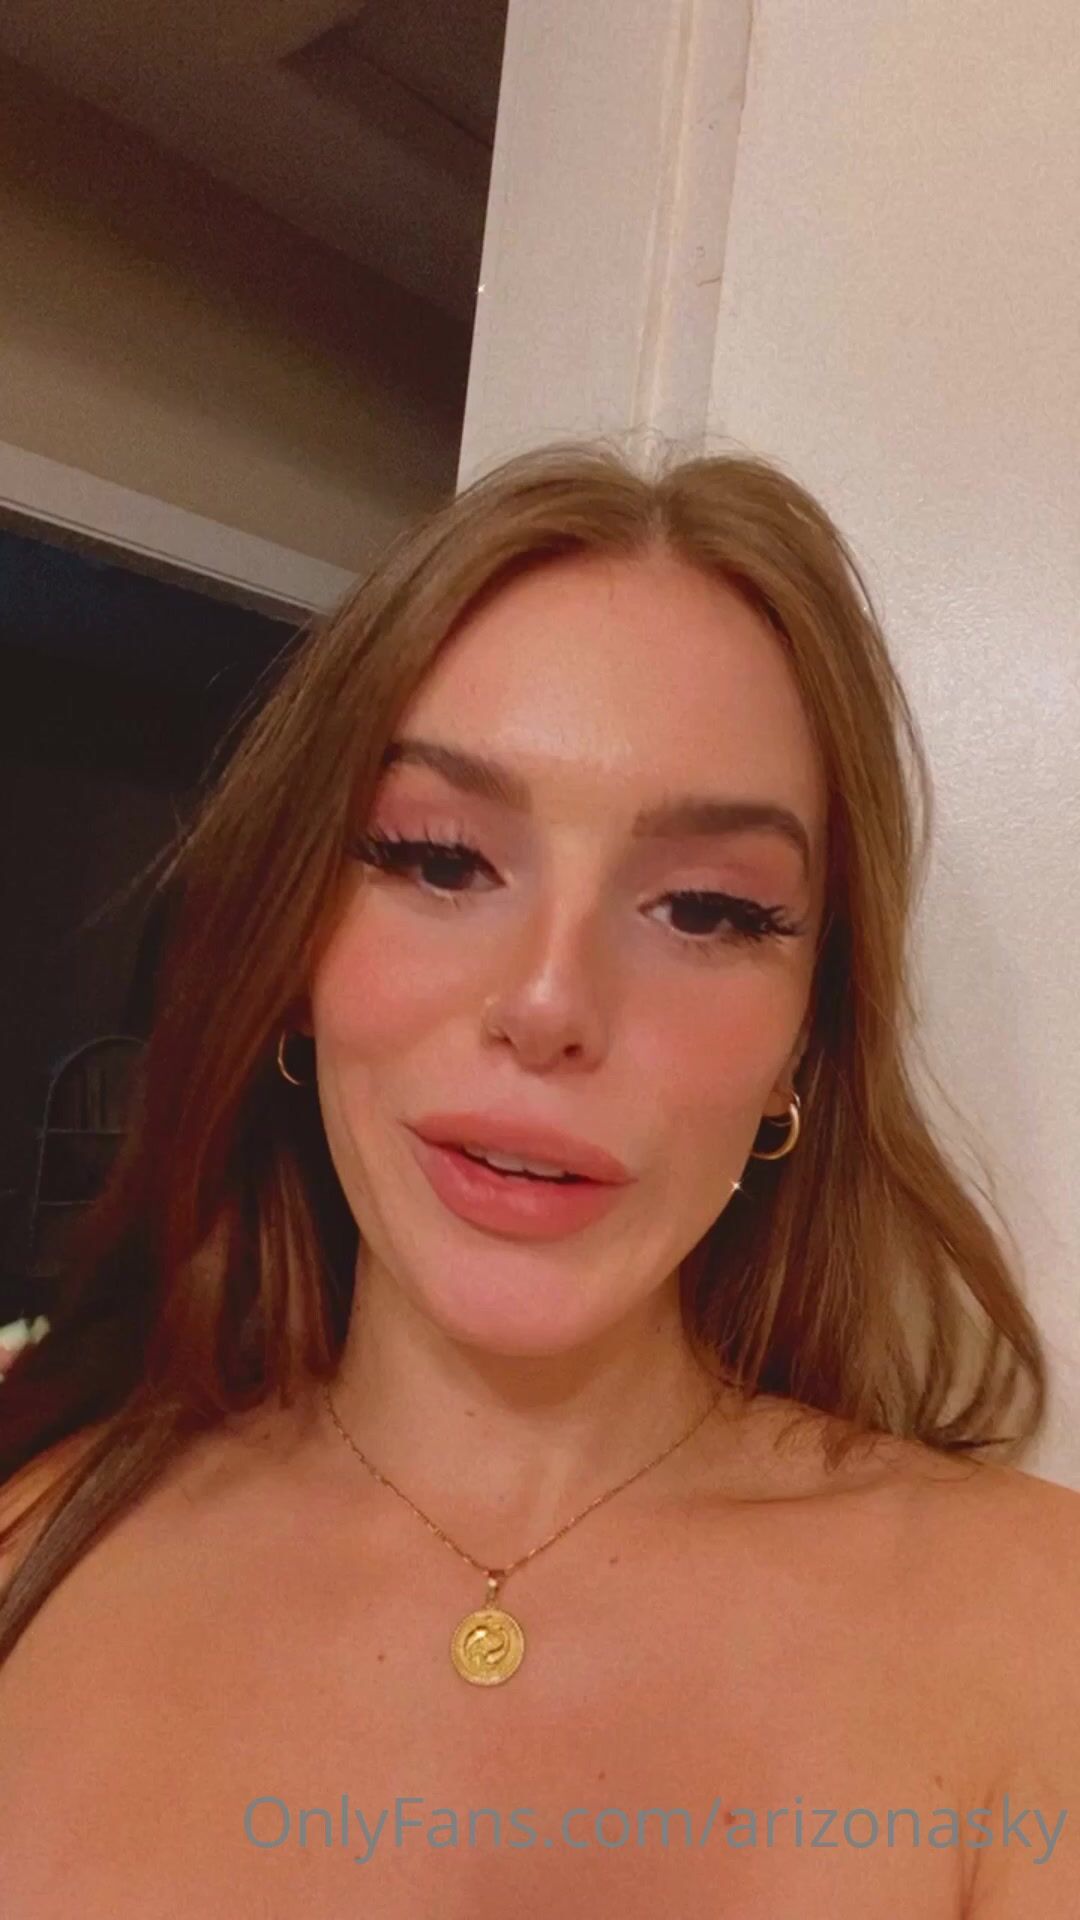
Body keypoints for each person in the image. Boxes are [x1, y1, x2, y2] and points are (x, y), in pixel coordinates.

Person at [0, 437, 1076, 1917]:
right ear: (294, 955)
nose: (550, 1002)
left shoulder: (1037, 1638)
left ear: (804, 1045)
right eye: (440, 862)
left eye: (707, 909)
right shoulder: (30, 1549)